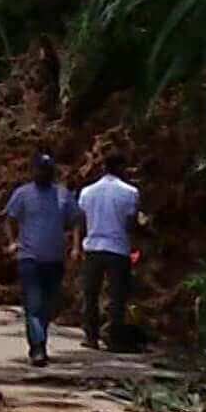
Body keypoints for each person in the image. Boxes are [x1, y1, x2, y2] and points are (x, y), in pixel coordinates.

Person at [4, 152, 82, 366]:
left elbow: (76, 220)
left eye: (47, 170)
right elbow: (9, 218)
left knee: (48, 306)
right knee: (34, 304)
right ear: (33, 170)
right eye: (40, 169)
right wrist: (12, 242)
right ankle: (38, 348)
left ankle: (40, 340)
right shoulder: (22, 194)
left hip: (55, 259)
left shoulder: (63, 195)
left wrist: (75, 247)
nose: (44, 173)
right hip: (29, 257)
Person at [77, 151, 141, 352]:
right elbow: (131, 223)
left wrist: (77, 246)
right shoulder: (130, 192)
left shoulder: (88, 191)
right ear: (121, 168)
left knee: (90, 293)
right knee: (117, 295)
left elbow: (81, 221)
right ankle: (114, 338)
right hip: (118, 248)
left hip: (93, 247)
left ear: (104, 168)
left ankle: (91, 336)